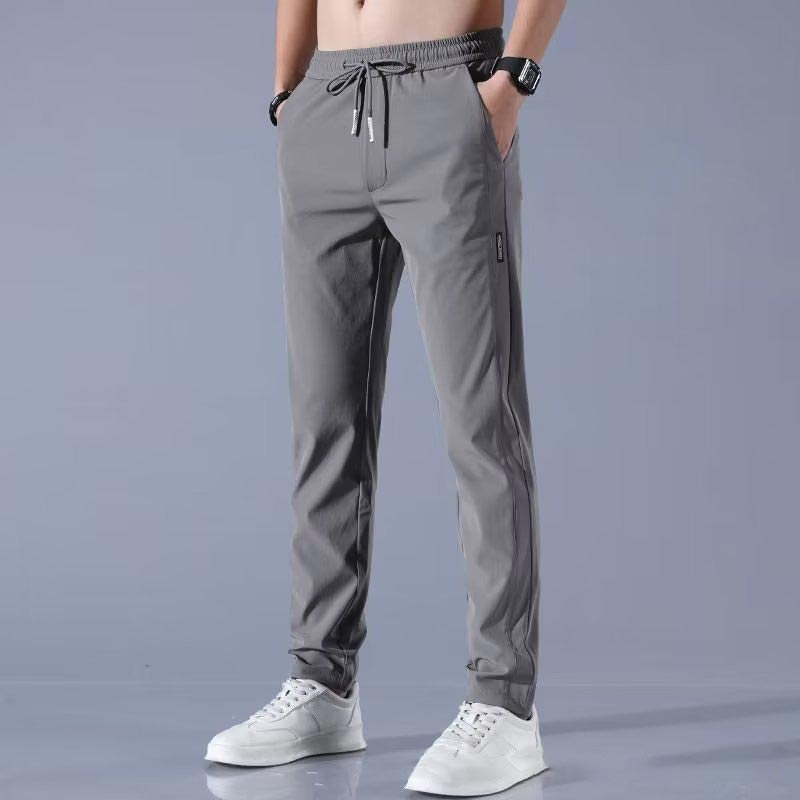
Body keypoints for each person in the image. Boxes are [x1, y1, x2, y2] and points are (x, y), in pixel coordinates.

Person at [206, 0, 566, 794]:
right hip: (326, 102)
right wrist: (288, 90)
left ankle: (505, 706)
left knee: (482, 422)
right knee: (323, 420)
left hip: (449, 94)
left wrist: (513, 81)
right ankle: (322, 686)